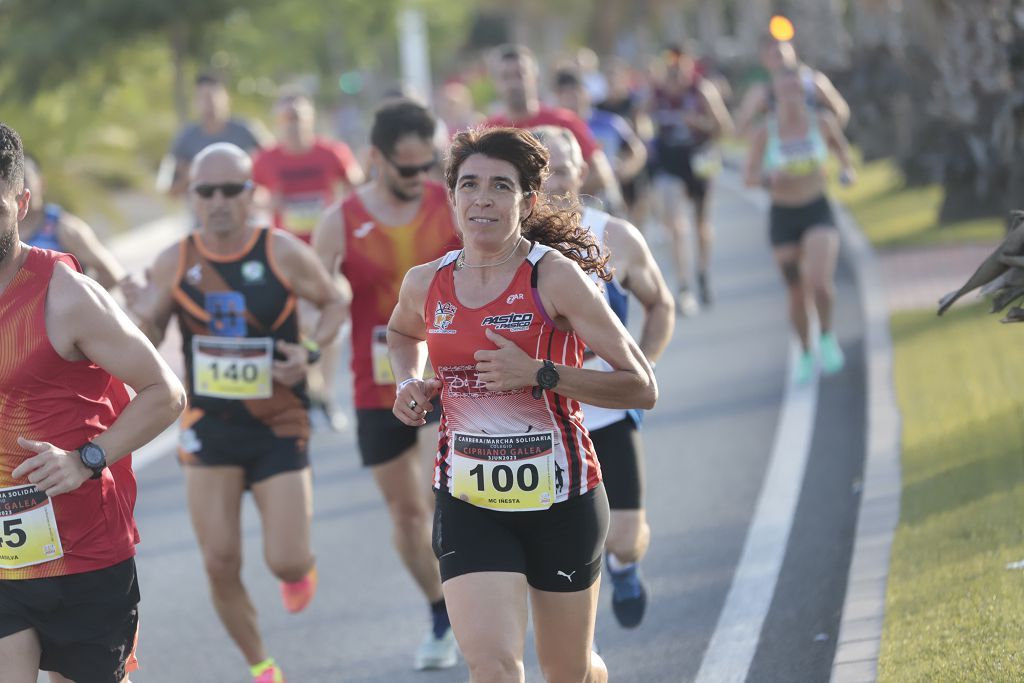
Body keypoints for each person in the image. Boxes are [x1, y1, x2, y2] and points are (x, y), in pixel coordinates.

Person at [388, 126, 658, 682]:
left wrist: (541, 373)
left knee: (568, 672)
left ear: (527, 200)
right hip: (469, 499)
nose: (482, 198)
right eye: (469, 184)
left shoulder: (555, 277)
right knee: (492, 666)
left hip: (562, 499)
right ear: (453, 196)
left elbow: (641, 385)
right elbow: (400, 334)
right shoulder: (425, 283)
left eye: (500, 187)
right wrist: (407, 383)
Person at [123, 142, 347, 683]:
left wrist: (311, 352)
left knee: (287, 560)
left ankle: (299, 571)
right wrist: (135, 310)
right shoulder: (174, 260)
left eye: (231, 190)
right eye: (207, 191)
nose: (219, 201)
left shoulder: (281, 251)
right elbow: (149, 334)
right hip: (209, 428)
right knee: (220, 561)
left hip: (278, 423)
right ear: (193, 196)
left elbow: (335, 298)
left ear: (251, 194)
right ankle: (261, 665)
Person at [0, 122, 186, 683]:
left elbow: (164, 393)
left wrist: (85, 460)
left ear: (22, 203)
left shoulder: (64, 294)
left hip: (84, 552)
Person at [311, 100, 462, 670]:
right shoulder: (339, 222)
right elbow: (313, 297)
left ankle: (477, 598)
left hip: (445, 377)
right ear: (374, 158)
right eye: (407, 168)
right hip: (374, 388)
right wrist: (307, 343)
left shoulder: (448, 207)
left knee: (435, 495)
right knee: (404, 517)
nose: (419, 178)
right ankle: (439, 610)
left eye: (429, 166)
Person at [532, 125, 674, 629]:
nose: (552, 184)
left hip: (606, 405)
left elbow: (659, 304)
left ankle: (623, 565)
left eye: (563, 170)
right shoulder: (503, 248)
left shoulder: (614, 236)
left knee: (625, 536)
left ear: (582, 172)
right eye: (541, 173)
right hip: (537, 415)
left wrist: (643, 365)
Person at [743, 64, 856, 384]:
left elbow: (842, 153)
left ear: (805, 92)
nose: (791, 97)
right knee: (795, 290)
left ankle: (827, 336)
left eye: (797, 90)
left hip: (817, 210)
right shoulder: (766, 132)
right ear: (774, 95)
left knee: (819, 282)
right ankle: (806, 351)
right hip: (783, 216)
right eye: (784, 90)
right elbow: (748, 176)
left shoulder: (821, 122)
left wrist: (848, 172)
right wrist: (767, 178)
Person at [484, 44, 625, 216]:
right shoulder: (489, 132)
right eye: (506, 77)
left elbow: (601, 174)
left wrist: (561, 192)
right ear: (496, 83)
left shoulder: (564, 121)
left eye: (520, 74)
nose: (514, 83)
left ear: (535, 78)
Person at [647, 44, 734, 315]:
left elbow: (724, 128)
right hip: (670, 162)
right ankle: (683, 285)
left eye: (680, 65)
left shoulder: (702, 91)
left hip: (700, 159)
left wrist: (697, 123)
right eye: (670, 65)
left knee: (701, 223)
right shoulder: (657, 93)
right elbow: (640, 118)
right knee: (675, 224)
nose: (675, 71)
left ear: (689, 65)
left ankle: (702, 273)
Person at [252, 89, 364, 243]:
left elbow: (358, 186)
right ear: (278, 121)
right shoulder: (265, 158)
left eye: (297, 117)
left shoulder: (333, 152)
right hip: (285, 245)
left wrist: (341, 207)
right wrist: (268, 203)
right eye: (287, 118)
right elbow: (248, 196)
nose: (293, 124)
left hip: (327, 241)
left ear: (311, 119)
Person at [19, 156, 126, 290]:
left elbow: (111, 273)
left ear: (41, 184)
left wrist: (76, 302)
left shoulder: (65, 228)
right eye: (12, 181)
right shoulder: (5, 234)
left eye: (24, 180)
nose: (19, 188)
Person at [162, 73, 268, 197]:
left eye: (214, 96)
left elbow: (275, 164)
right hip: (201, 212)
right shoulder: (185, 138)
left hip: (245, 209)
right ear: (195, 101)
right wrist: (193, 175)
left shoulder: (247, 130)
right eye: (202, 97)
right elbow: (170, 190)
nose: (209, 103)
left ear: (227, 97)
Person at [735, 33, 850, 137]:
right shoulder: (761, 92)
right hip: (779, 154)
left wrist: (821, 136)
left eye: (779, 54)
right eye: (770, 53)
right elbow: (741, 128)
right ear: (764, 60)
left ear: (793, 52)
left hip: (814, 150)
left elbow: (841, 113)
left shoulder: (815, 82)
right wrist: (766, 140)